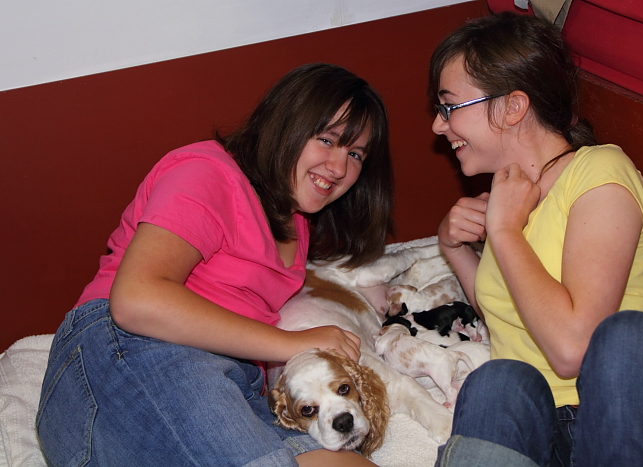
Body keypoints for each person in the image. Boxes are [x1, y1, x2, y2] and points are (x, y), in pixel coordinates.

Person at [36, 63, 392, 467]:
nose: (340, 168)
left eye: (356, 154)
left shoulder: (298, 224)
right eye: (327, 139)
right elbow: (135, 300)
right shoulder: (208, 171)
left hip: (231, 383)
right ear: (286, 123)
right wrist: (295, 342)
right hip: (132, 350)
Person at [430, 12, 643, 467]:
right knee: (496, 383)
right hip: (543, 430)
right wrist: (455, 247)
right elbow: (513, 310)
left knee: (627, 337)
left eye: (449, 107)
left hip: (621, 416)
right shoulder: (509, 198)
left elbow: (574, 347)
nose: (439, 127)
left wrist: (504, 231)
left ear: (513, 107)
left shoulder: (598, 171)